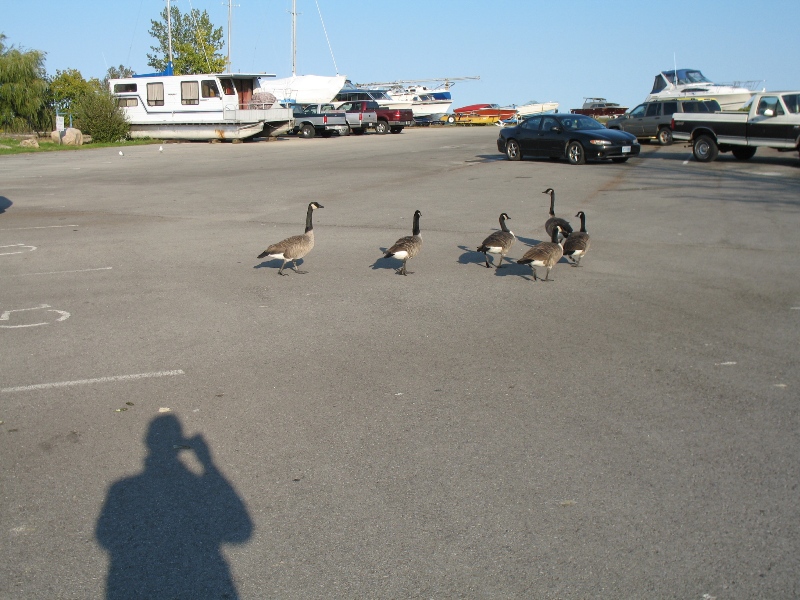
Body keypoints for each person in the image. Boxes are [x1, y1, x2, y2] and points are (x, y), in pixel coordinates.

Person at [96, 415, 253, 599]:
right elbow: (241, 532)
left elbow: (104, 537)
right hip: (203, 578)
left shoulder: (121, 488)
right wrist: (208, 464)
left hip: (130, 582)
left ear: (148, 442)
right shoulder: (197, 485)